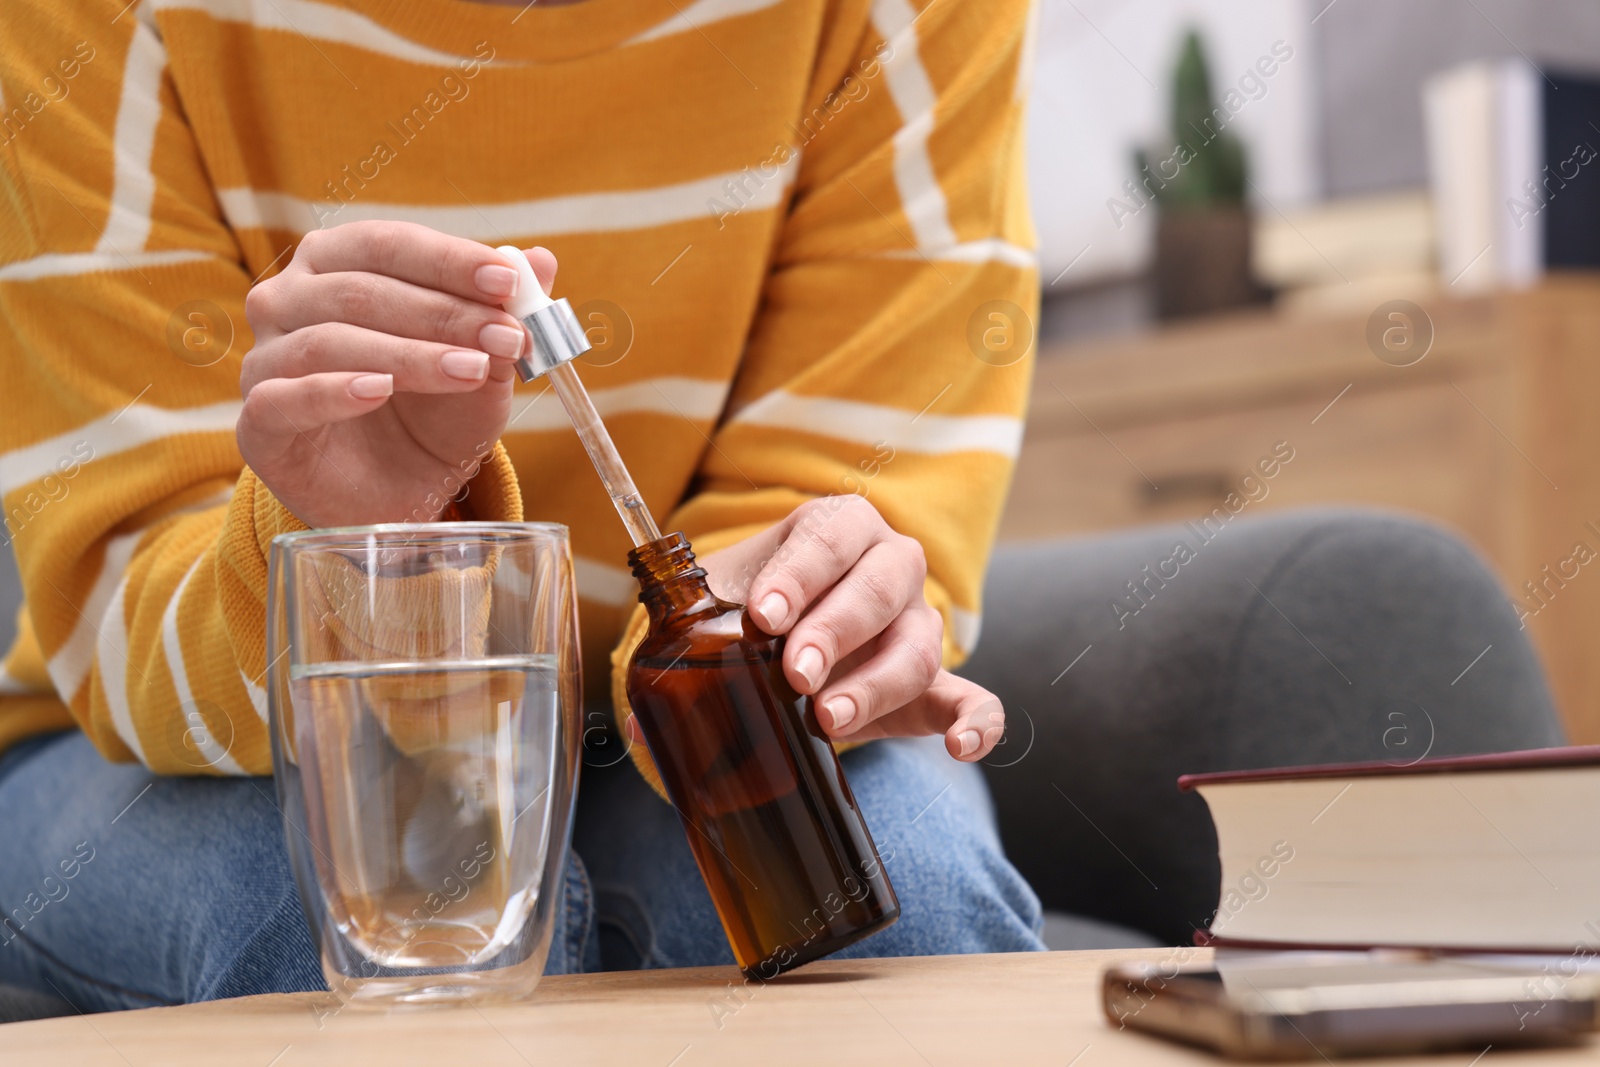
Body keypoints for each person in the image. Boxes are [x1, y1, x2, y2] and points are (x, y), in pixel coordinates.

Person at [0, 0, 1046, 1010]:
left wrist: (784, 611)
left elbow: (854, 488)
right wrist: (373, 559)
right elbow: (123, 591)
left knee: (915, 899)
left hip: (660, 727)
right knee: (354, 928)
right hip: (166, 744)